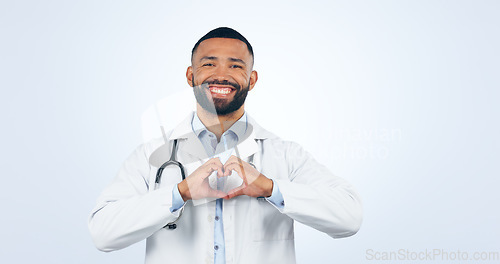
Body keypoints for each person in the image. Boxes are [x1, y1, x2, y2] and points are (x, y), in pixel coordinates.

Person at [89, 27, 363, 264]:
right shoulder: (151, 155)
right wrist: (180, 193)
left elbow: (349, 217)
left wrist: (270, 188)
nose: (221, 75)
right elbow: (103, 233)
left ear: (252, 80)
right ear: (190, 75)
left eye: (235, 65)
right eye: (209, 64)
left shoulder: (286, 155)